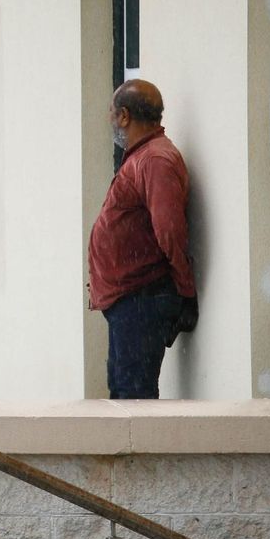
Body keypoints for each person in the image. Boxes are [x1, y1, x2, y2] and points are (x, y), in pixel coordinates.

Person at [88, 79, 197, 399]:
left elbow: (170, 231)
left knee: (134, 398)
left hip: (142, 298)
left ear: (124, 116)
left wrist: (185, 291)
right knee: (123, 392)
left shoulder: (154, 160)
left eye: (111, 111)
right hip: (129, 300)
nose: (109, 118)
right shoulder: (144, 156)